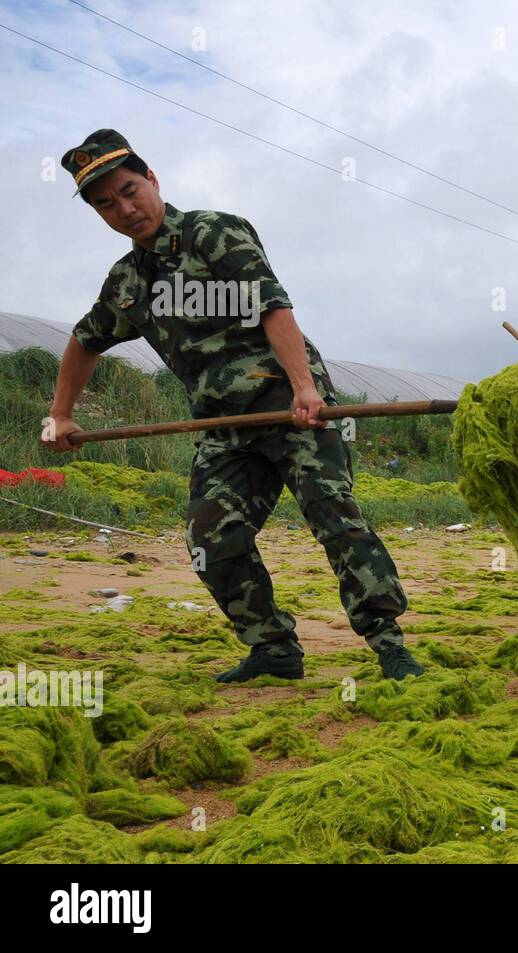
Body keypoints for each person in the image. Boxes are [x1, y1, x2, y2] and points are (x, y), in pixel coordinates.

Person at [44, 130, 421, 681]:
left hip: (289, 404)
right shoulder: (127, 283)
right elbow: (84, 340)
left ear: (152, 180)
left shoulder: (212, 233)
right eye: (107, 204)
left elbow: (273, 305)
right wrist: (60, 414)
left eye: (130, 190)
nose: (125, 209)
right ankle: (272, 649)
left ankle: (389, 644)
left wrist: (305, 389)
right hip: (223, 426)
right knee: (210, 535)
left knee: (333, 517)